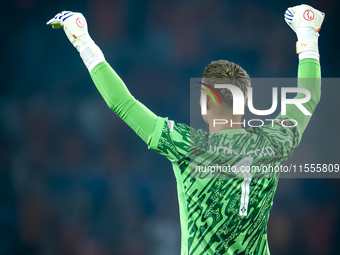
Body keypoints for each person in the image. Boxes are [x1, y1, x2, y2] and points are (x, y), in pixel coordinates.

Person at [47, 4, 324, 254]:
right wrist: (307, 33)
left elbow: (123, 104)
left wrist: (83, 41)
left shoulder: (187, 145)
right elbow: (308, 97)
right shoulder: (275, 141)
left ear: (204, 103)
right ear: (246, 102)